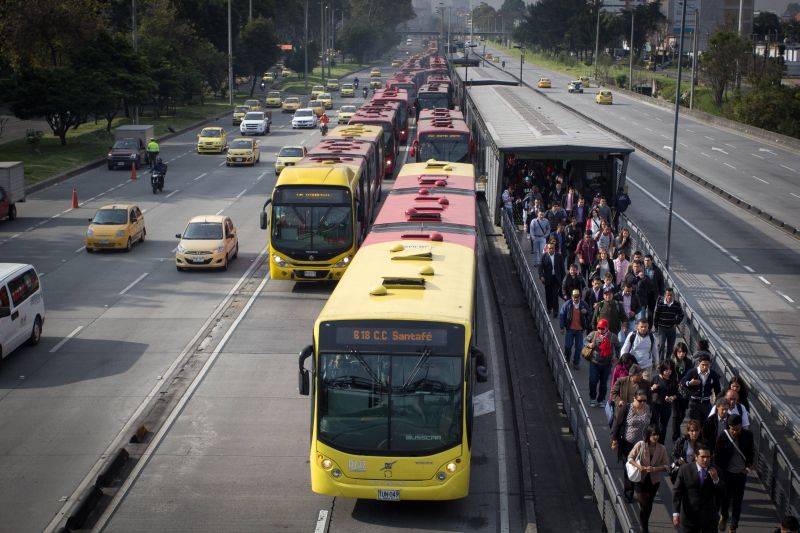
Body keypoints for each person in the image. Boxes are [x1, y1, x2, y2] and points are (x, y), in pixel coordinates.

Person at [672, 442, 725, 532]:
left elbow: (723, 493)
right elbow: (677, 491)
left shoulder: (716, 471)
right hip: (689, 518)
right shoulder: (685, 469)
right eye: (702, 457)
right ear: (696, 457)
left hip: (709, 518)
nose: (705, 460)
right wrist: (676, 513)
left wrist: (716, 480)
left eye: (708, 457)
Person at [611, 387, 652, 502]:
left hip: (642, 445)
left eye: (645, 400)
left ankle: (639, 490)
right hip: (627, 444)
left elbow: (651, 424)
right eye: (640, 401)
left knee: (641, 467)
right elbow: (616, 424)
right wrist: (614, 439)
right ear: (634, 398)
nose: (643, 403)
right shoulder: (626, 408)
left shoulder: (648, 408)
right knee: (628, 467)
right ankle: (628, 493)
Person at [715, 414, 753, 533]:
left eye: (737, 429)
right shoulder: (723, 436)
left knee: (737, 501)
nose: (734, 432)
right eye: (732, 429)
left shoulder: (748, 435)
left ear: (741, 426)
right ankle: (724, 516)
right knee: (725, 499)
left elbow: (751, 452)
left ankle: (733, 526)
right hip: (726, 473)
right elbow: (717, 456)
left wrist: (748, 467)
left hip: (740, 474)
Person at [628, 424, 669, 533]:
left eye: (657, 435)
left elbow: (667, 466)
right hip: (640, 480)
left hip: (654, 481)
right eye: (653, 435)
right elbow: (630, 458)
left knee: (648, 504)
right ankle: (644, 529)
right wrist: (639, 467)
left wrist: (655, 469)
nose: (656, 437)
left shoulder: (662, 448)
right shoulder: (641, 445)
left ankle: (644, 521)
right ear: (648, 435)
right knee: (644, 504)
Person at [681, 353, 722, 423]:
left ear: (710, 364)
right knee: (695, 424)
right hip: (694, 403)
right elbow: (683, 382)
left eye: (707, 365)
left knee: (705, 425)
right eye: (703, 365)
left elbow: (717, 390)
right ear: (699, 363)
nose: (705, 367)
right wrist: (690, 383)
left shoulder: (713, 374)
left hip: (707, 404)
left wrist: (716, 403)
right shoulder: (692, 372)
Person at [585, 318, 619, 402]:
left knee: (603, 384)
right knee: (593, 381)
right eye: (599, 328)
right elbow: (585, 341)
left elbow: (618, 347)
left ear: (607, 328)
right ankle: (592, 398)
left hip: (607, 363)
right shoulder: (594, 334)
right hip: (594, 362)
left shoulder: (613, 336)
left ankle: (601, 399)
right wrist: (589, 344)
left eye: (602, 328)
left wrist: (617, 357)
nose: (600, 330)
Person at [560, 289, 592, 369]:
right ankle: (567, 356)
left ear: (580, 297)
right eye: (574, 297)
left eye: (577, 297)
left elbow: (590, 313)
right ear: (571, 297)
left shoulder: (584, 304)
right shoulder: (567, 304)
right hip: (570, 329)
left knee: (579, 347)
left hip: (579, 330)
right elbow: (562, 315)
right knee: (568, 346)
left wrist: (586, 312)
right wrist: (561, 327)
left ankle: (576, 362)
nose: (575, 299)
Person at [653, 287, 684, 361]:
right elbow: (656, 315)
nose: (669, 297)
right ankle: (660, 361)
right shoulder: (661, 303)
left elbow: (681, 314)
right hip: (662, 328)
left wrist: (676, 323)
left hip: (671, 328)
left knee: (670, 347)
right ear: (665, 295)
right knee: (662, 345)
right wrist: (656, 326)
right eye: (668, 295)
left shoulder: (676, 304)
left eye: (671, 295)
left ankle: (667, 361)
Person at [650, 362, 677, 443]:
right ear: (662, 370)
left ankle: (660, 444)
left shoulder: (673, 380)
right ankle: (651, 442)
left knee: (663, 427)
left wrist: (671, 397)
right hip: (655, 405)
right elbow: (648, 389)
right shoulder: (656, 378)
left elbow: (676, 394)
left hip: (666, 406)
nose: (668, 372)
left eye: (670, 370)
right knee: (654, 425)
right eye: (666, 370)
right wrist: (652, 388)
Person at [671, 342, 692, 441]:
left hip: (684, 391)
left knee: (682, 413)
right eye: (679, 352)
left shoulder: (688, 362)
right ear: (676, 352)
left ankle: (678, 429)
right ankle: (675, 434)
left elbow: (690, 374)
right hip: (674, 390)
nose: (681, 354)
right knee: (675, 413)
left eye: (683, 352)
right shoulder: (672, 361)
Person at [539, 242, 565, 318]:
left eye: (552, 248)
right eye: (549, 248)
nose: (551, 249)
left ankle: (555, 310)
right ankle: (549, 307)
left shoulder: (559, 256)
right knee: (548, 294)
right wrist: (541, 276)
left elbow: (562, 269)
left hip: (556, 279)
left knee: (555, 295)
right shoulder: (544, 256)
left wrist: (563, 279)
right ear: (547, 249)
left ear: (554, 249)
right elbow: (540, 268)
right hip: (547, 278)